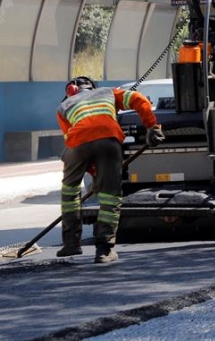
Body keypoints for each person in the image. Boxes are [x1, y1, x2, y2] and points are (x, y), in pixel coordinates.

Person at [55, 76, 164, 263]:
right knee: (110, 196)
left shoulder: (63, 106)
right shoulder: (108, 92)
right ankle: (104, 251)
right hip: (108, 140)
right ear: (92, 87)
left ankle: (71, 243)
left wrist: (93, 173)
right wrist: (151, 127)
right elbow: (139, 99)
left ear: (70, 91)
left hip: (76, 146)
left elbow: (72, 139)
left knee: (69, 193)